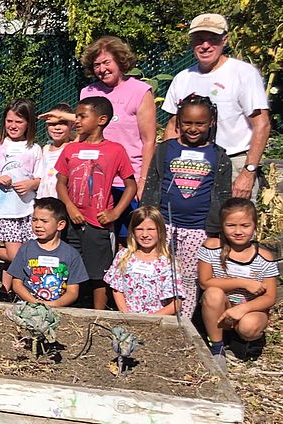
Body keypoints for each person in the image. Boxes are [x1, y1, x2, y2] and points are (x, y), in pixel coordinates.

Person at [142, 94, 232, 319]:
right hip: (163, 225)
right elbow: (153, 183)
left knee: (189, 278)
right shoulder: (164, 150)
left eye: (200, 123)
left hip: (198, 230)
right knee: (159, 273)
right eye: (187, 123)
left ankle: (184, 324)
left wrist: (216, 231)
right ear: (178, 123)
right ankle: (155, 317)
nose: (193, 128)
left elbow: (222, 195)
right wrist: (147, 219)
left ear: (210, 123)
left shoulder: (219, 156)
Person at [163, 13, 271, 200]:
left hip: (234, 163)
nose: (205, 46)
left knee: (235, 227)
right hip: (190, 162)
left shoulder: (243, 73)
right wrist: (166, 167)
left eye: (212, 39)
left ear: (225, 39)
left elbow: (262, 124)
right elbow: (173, 127)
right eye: (199, 40)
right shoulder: (182, 78)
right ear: (192, 42)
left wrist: (248, 171)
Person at [55, 97, 136, 310]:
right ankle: (70, 307)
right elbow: (61, 184)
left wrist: (115, 213)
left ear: (101, 119)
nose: (77, 121)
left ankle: (99, 313)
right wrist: (70, 208)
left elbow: (131, 186)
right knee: (70, 267)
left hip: (98, 224)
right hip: (71, 221)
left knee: (99, 272)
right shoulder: (70, 149)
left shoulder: (116, 150)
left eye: (82, 116)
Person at [80, 36, 157, 241]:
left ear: (120, 61)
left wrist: (143, 180)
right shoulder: (88, 92)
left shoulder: (140, 91)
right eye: (97, 65)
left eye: (107, 62)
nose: (102, 69)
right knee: (98, 237)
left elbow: (149, 140)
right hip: (94, 178)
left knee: (129, 237)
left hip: (128, 178)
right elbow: (83, 134)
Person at [199, 199, 278, 370]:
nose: (238, 231)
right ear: (222, 225)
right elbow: (205, 283)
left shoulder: (264, 257)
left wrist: (242, 309)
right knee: (213, 293)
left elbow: (271, 297)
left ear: (255, 226)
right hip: (221, 308)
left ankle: (241, 340)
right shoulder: (212, 247)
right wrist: (243, 282)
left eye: (245, 225)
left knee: (249, 326)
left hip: (249, 309)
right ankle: (217, 346)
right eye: (231, 225)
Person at [0, 99, 43, 291]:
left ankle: (7, 289)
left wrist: (32, 184)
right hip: (4, 210)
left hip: (26, 209)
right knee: (17, 254)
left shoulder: (34, 149)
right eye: (9, 121)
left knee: (20, 252)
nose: (13, 126)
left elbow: (41, 178)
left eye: (18, 121)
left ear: (29, 124)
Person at [8, 197, 88, 307]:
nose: (38, 225)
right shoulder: (26, 249)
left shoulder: (71, 255)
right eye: (34, 220)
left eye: (44, 221)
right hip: (27, 305)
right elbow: (17, 284)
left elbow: (72, 292)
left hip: (58, 308)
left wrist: (52, 305)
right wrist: (35, 303)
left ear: (60, 225)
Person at [104, 206, 183, 315]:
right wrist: (126, 315)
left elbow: (176, 303)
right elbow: (117, 288)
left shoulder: (168, 262)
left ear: (160, 231)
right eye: (139, 229)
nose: (145, 235)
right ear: (133, 231)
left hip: (157, 320)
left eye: (151, 229)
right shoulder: (124, 256)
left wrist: (150, 320)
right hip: (128, 317)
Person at [36, 103, 75, 199]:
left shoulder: (73, 147)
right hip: (43, 201)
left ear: (72, 125)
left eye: (63, 123)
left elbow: (85, 122)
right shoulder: (44, 149)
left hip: (62, 202)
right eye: (52, 124)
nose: (57, 127)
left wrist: (62, 115)